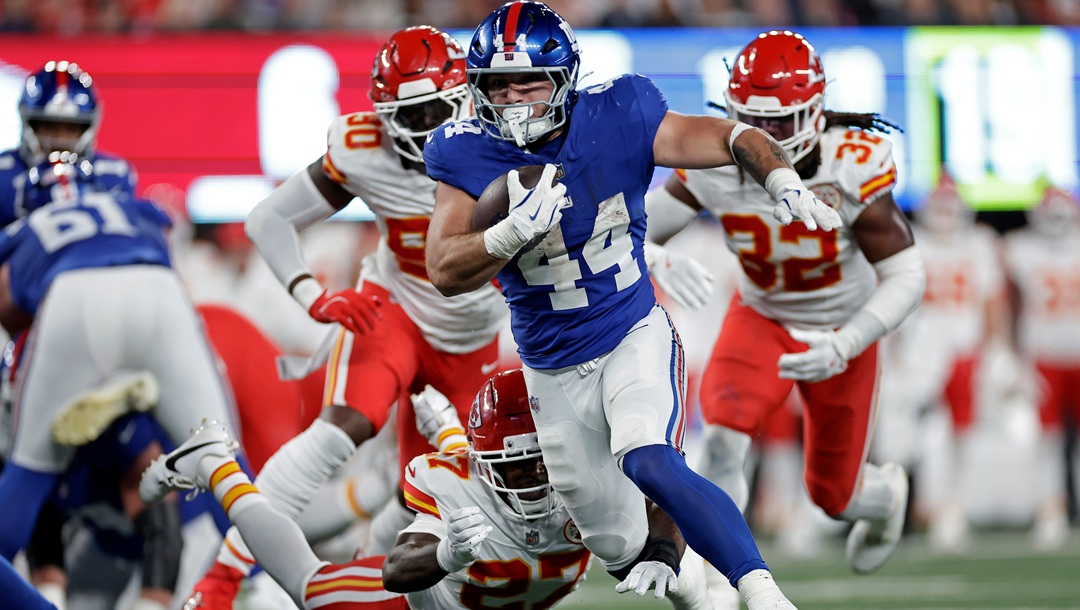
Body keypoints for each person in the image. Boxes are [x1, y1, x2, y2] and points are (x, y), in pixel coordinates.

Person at [422, 3, 843, 608]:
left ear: (564, 78)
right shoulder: (462, 153)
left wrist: (782, 180)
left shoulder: (620, 111)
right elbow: (444, 268)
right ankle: (697, 587)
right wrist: (508, 235)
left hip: (628, 330)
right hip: (551, 362)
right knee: (617, 542)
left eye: (529, 81)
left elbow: (733, 135)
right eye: (497, 83)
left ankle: (762, 592)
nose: (513, 97)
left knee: (649, 459)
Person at [190, 24, 510, 605]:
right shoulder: (365, 149)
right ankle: (222, 576)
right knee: (341, 431)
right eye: (405, 118)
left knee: (446, 502)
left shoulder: (510, 143)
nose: (420, 131)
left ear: (464, 96)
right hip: (395, 310)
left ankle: (368, 573)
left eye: (431, 112)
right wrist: (312, 293)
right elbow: (269, 219)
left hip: (472, 337)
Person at [644, 30, 924, 601]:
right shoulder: (714, 160)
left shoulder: (850, 165)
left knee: (833, 496)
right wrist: (654, 254)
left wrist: (849, 341)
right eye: (754, 121)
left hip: (844, 325)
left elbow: (907, 275)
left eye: (783, 123)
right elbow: (633, 228)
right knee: (720, 439)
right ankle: (722, 578)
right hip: (762, 316)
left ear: (816, 114)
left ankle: (886, 495)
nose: (766, 138)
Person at [140, 369, 711, 609]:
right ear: (486, 468)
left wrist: (664, 555)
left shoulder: (587, 470)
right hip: (428, 606)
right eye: (516, 469)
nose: (537, 479)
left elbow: (665, 503)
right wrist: (445, 553)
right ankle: (218, 463)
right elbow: (397, 568)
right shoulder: (453, 485)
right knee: (310, 589)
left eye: (544, 461)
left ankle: (448, 428)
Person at [0, 153, 238, 568]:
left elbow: (10, 310)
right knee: (225, 461)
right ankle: (266, 582)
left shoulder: (27, 229)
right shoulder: (137, 210)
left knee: (31, 467)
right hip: (159, 293)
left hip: (73, 300)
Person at [891, 171, 1006, 553]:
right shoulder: (912, 240)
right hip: (918, 350)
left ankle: (953, 507)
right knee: (905, 436)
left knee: (961, 434)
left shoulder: (980, 243)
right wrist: (891, 347)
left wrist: (997, 349)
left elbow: (991, 299)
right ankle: (905, 512)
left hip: (962, 348)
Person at [1003, 186, 1080, 552]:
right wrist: (1013, 355)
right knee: (1046, 441)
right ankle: (1051, 511)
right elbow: (1011, 305)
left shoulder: (1020, 248)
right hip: (1043, 355)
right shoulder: (1021, 249)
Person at [0, 60, 136, 227]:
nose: (59, 138)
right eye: (49, 126)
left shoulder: (113, 174)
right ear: (29, 123)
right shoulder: (4, 173)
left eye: (70, 128)